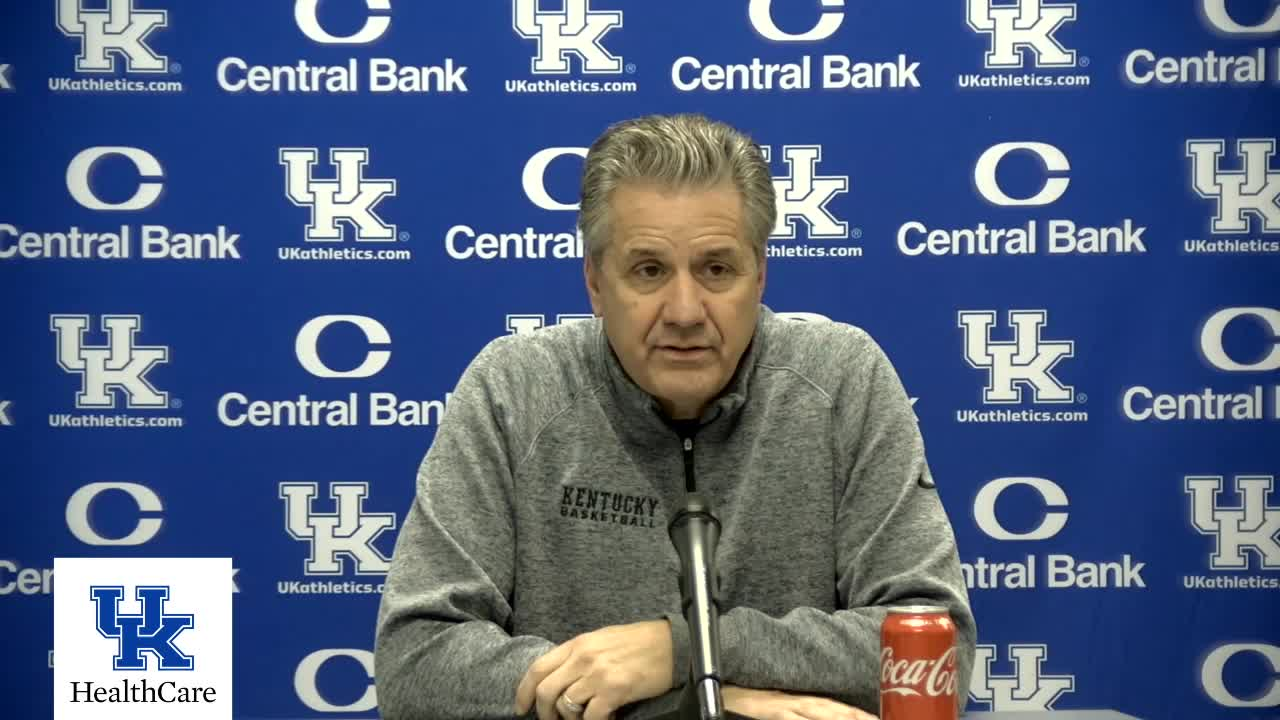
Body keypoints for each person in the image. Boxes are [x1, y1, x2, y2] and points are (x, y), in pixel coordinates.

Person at [375, 113, 976, 720]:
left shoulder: (842, 381)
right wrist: (701, 697)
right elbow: (416, 664)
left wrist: (681, 650)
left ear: (760, 276)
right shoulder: (515, 391)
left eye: (717, 269)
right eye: (649, 270)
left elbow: (935, 647)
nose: (685, 310)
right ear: (594, 284)